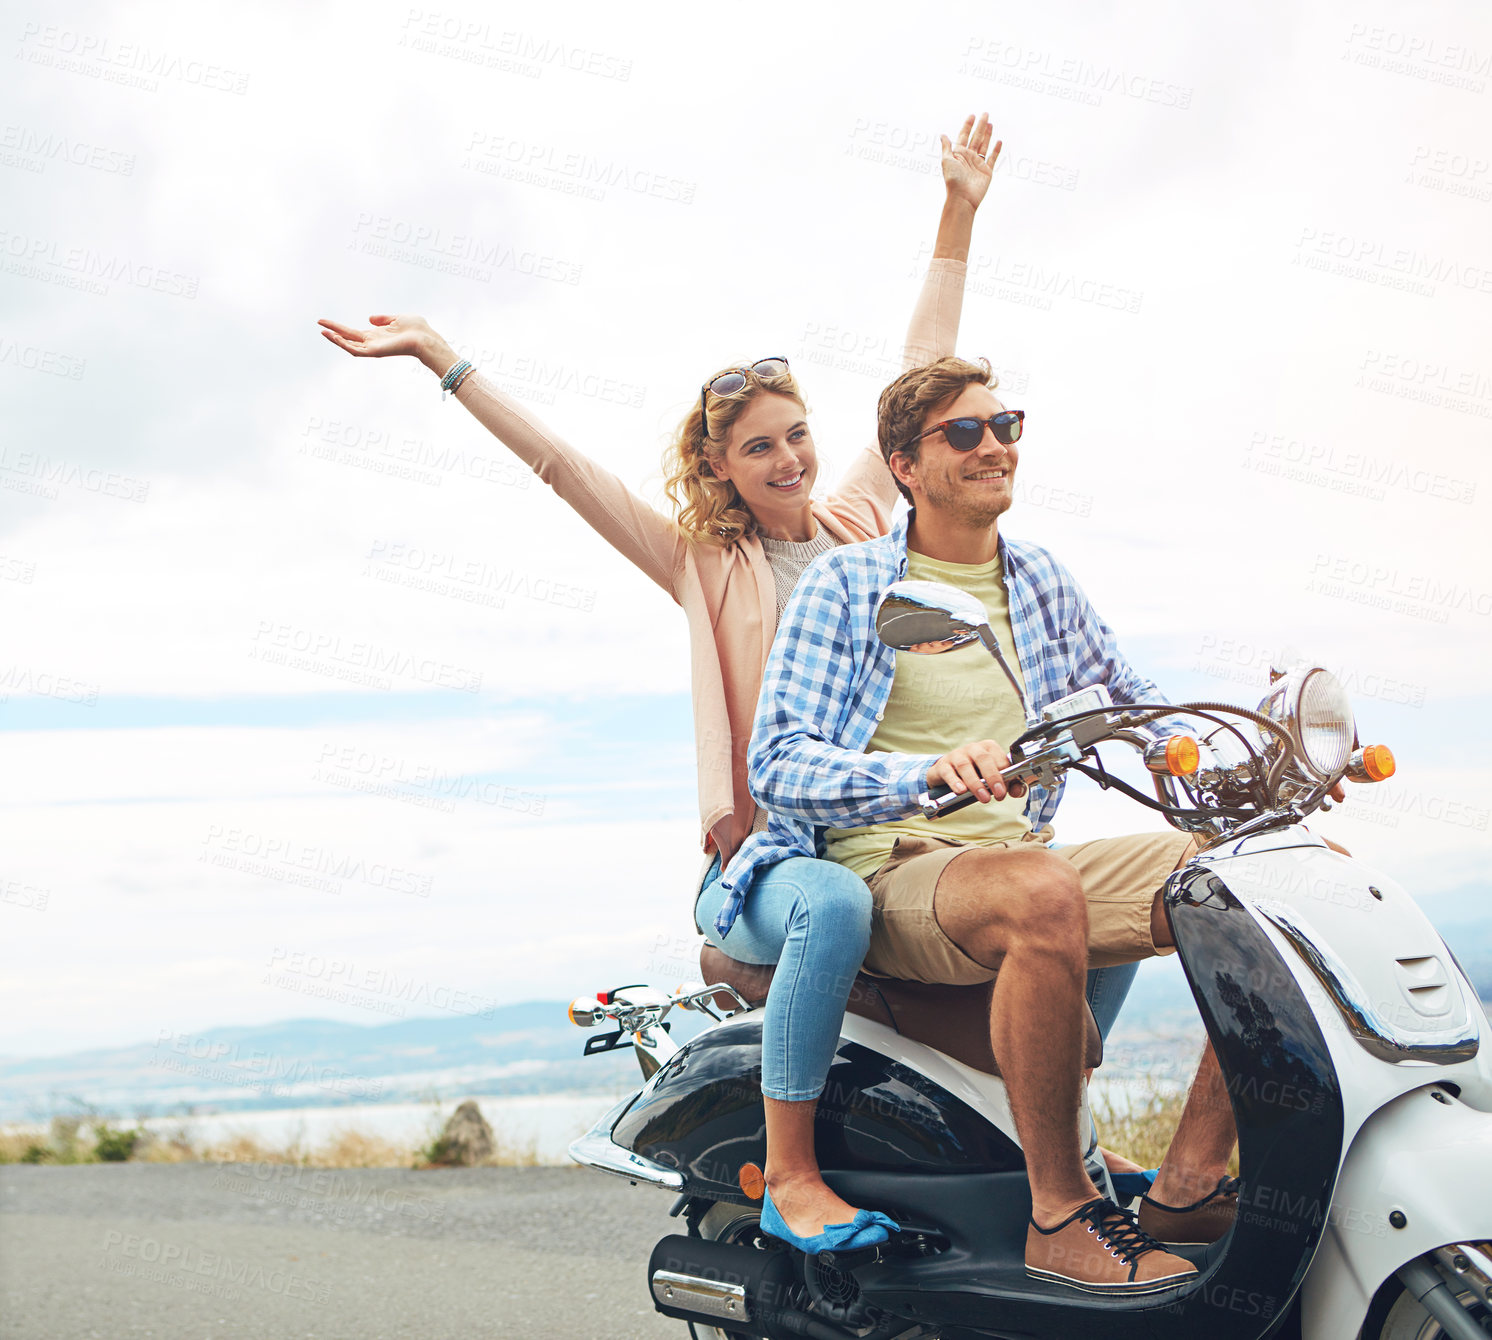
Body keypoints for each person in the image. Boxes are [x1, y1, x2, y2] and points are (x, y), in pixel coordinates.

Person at [317, 116, 999, 1254]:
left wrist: (957, 212)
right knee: (829, 904)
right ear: (722, 468)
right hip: (774, 861)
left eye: (796, 435)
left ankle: (1053, 1154)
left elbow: (919, 382)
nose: (787, 458)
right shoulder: (700, 562)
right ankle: (791, 1176)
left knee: (1063, 892)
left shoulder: (857, 526)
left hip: (896, 830)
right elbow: (561, 468)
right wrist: (446, 358)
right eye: (759, 448)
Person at [729, 354, 1247, 1293]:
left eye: (1004, 424)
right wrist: (916, 772)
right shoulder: (848, 586)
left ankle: (1187, 1182)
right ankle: (1062, 1216)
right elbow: (778, 762)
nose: (993, 445)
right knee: (1042, 888)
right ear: (904, 465)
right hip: (892, 866)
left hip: (1017, 861)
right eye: (963, 433)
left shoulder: (1040, 578)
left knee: (1255, 875)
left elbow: (1133, 701)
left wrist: (1227, 756)